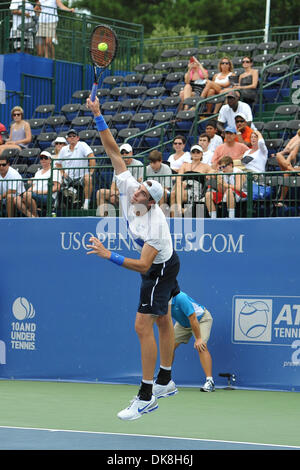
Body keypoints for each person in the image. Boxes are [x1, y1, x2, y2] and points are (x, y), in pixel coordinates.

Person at [86, 96, 181, 421]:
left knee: (143, 326)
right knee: (163, 319)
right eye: (140, 187)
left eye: (143, 193)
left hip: (160, 266)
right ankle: (165, 381)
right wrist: (99, 116)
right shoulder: (128, 185)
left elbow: (143, 266)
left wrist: (107, 254)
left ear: (152, 203)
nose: (136, 191)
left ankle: (146, 397)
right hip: (166, 261)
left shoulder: (154, 224)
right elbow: (113, 150)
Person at [166, 290, 214, 393]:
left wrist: (199, 339)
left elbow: (192, 318)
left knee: (201, 346)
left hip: (200, 319)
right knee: (168, 347)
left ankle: (210, 382)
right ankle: (165, 380)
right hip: (183, 323)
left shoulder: (180, 297)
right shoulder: (160, 299)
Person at [96, 143, 144, 217]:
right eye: (122, 153)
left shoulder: (138, 164)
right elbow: (113, 183)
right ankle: (103, 217)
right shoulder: (117, 165)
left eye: (127, 153)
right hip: (119, 193)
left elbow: (137, 185)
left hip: (133, 194)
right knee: (100, 193)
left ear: (131, 153)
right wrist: (112, 194)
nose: (124, 155)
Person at [55, 128, 96, 210]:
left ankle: (86, 203)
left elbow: (91, 157)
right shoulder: (64, 149)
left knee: (88, 178)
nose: (72, 138)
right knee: (58, 181)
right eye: (70, 136)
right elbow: (58, 164)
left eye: (74, 136)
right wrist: (63, 173)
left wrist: (90, 172)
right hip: (68, 177)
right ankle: (55, 205)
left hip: (81, 176)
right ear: (67, 139)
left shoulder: (83, 145)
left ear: (78, 138)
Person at [15, 150, 62, 217]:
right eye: (41, 158)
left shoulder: (54, 171)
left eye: (45, 158)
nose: (43, 160)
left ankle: (35, 216)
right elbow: (33, 186)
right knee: (16, 199)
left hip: (49, 196)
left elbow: (57, 187)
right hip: (35, 194)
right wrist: (26, 193)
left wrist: (41, 192)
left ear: (50, 160)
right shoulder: (38, 172)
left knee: (27, 195)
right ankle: (33, 217)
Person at [170, 144, 211, 217]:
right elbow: (179, 177)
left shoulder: (205, 166)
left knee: (174, 193)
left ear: (201, 154)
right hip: (183, 187)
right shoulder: (185, 165)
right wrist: (181, 182)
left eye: (198, 152)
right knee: (176, 188)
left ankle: (177, 212)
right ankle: (177, 211)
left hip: (196, 189)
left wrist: (209, 175)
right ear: (191, 154)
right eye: (193, 152)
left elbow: (214, 172)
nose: (195, 154)